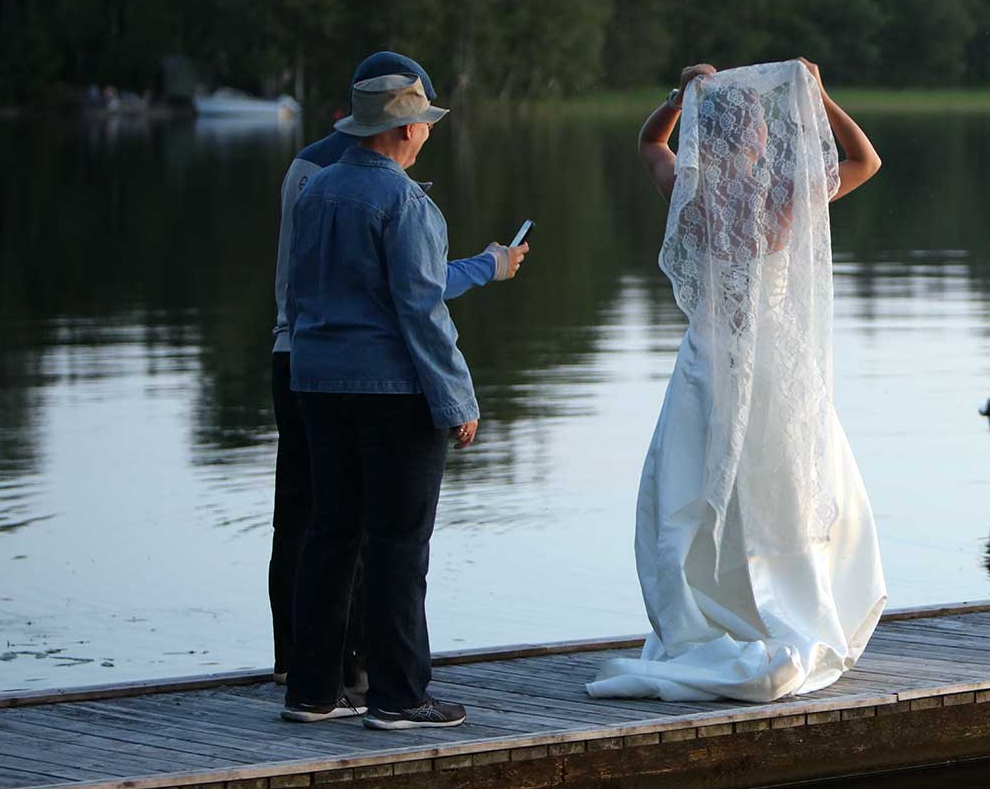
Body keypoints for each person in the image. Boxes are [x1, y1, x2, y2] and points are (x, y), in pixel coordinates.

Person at [586, 59, 886, 703]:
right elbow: (866, 161)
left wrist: (678, 95)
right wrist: (821, 95)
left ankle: (710, 616)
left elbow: (649, 142)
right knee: (785, 488)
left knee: (694, 488)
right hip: (773, 362)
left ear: (705, 134)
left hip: (707, 360)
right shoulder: (784, 191)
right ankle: (786, 607)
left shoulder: (687, 190)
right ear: (757, 139)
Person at [267, 51, 528, 693]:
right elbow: (421, 309)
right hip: (389, 393)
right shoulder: (404, 200)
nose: (428, 135)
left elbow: (297, 296)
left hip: (314, 385)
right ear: (405, 129)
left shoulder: (313, 188)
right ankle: (399, 697)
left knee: (328, 535)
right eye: (425, 124)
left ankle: (311, 689)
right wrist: (458, 400)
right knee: (398, 546)